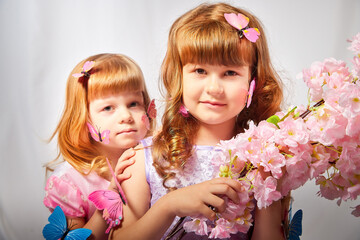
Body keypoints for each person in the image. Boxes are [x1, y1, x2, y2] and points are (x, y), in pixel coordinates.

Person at [111, 3, 287, 240]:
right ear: (179, 77)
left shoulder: (265, 160)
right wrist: (169, 205)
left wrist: (270, 189)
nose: (214, 89)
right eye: (200, 71)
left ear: (253, 82)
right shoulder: (143, 158)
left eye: (230, 73)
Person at [43, 53, 155, 239]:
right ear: (83, 117)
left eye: (133, 103)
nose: (126, 116)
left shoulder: (156, 159)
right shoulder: (70, 182)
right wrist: (108, 199)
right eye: (108, 108)